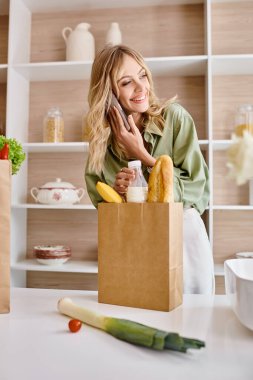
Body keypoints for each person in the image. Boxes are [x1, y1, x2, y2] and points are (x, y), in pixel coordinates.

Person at [85, 44, 215, 295]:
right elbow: (99, 198)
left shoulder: (175, 118)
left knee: (193, 321)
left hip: (184, 238)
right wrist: (119, 194)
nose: (141, 87)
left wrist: (143, 156)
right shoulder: (102, 139)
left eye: (142, 75)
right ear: (109, 92)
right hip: (137, 241)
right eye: (126, 82)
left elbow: (198, 188)